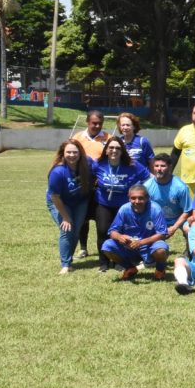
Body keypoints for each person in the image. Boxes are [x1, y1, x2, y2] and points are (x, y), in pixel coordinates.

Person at [93, 136, 151, 273]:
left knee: (123, 234)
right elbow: (83, 171)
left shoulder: (132, 164)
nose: (114, 150)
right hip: (104, 204)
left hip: (124, 206)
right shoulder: (98, 164)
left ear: (122, 151)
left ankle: (120, 261)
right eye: (111, 147)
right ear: (106, 150)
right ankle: (104, 263)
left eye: (118, 148)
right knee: (102, 231)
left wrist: (140, 191)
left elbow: (148, 178)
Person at [100, 184, 170, 281]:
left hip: (149, 247)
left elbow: (162, 234)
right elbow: (112, 232)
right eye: (133, 198)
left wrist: (141, 242)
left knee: (161, 249)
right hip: (129, 247)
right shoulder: (124, 209)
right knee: (107, 246)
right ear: (129, 198)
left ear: (147, 198)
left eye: (140, 198)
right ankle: (130, 268)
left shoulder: (155, 209)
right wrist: (120, 236)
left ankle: (160, 270)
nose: (137, 201)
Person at [46, 140, 94, 274]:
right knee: (67, 229)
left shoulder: (87, 163)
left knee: (76, 230)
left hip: (80, 201)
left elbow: (101, 167)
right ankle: (66, 265)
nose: (72, 155)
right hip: (60, 202)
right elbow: (55, 196)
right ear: (63, 153)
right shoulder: (58, 172)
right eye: (68, 152)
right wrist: (66, 217)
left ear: (80, 153)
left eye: (75, 152)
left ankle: (69, 259)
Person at [73, 109, 109, 259]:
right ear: (87, 122)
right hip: (81, 184)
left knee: (101, 218)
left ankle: (104, 249)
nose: (97, 126)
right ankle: (83, 248)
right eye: (94, 123)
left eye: (100, 123)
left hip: (101, 184)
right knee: (83, 217)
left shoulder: (108, 138)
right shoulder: (77, 138)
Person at [143, 153, 192, 249]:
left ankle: (189, 251)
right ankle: (148, 253)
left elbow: (187, 211)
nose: (159, 169)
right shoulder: (147, 186)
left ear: (170, 167)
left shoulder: (180, 187)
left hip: (178, 218)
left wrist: (174, 228)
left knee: (190, 229)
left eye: (162, 166)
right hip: (157, 219)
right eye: (156, 166)